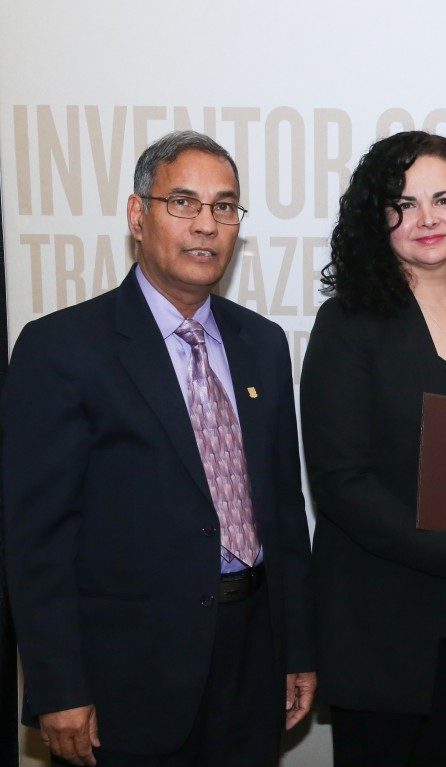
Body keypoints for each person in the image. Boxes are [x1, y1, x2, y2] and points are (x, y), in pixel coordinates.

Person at [2, 130, 316, 767]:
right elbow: (37, 538)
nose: (207, 225)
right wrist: (58, 685)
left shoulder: (262, 343)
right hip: (126, 678)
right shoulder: (62, 348)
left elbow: (282, 511)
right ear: (137, 216)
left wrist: (298, 648)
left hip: (252, 661)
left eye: (225, 207)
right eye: (184, 203)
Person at [300, 131, 446, 767]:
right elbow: (340, 481)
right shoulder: (348, 322)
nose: (426, 219)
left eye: (443, 199)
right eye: (402, 204)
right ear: (377, 219)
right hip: (380, 616)